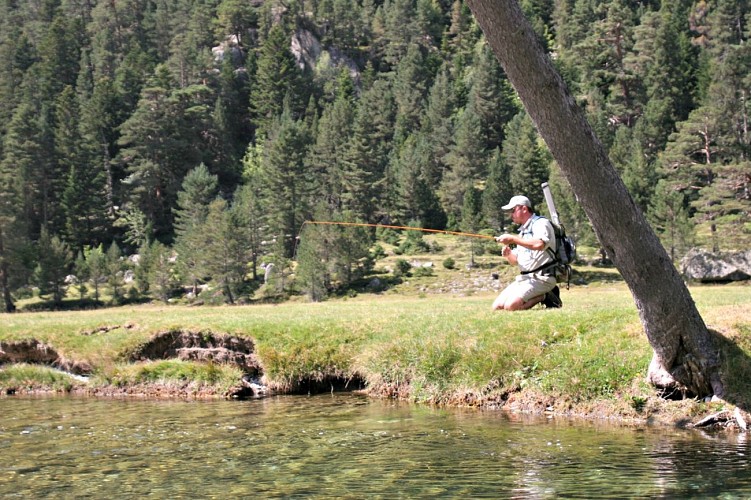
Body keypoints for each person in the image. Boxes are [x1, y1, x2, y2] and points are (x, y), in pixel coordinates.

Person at [492, 195, 562, 311]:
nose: (511, 215)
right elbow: (515, 261)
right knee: (497, 307)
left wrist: (513, 239)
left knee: (511, 307)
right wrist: (508, 254)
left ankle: (546, 295)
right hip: (525, 279)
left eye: (513, 210)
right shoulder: (523, 232)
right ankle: (543, 295)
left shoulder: (541, 224)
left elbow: (539, 244)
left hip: (542, 278)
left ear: (524, 209)